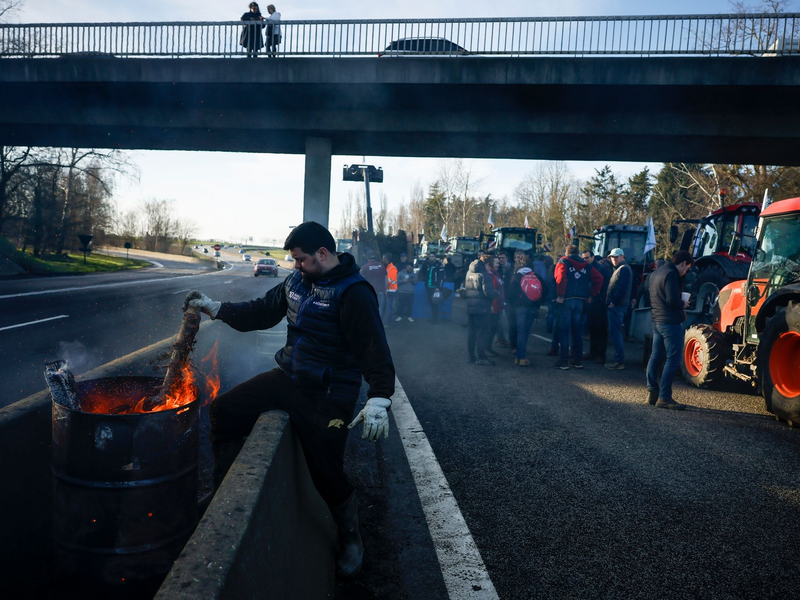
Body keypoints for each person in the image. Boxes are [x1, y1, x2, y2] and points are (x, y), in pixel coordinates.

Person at [184, 221, 395, 578]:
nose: (295, 265)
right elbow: (261, 312)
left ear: (323, 254)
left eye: (300, 259)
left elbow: (374, 349)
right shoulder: (296, 282)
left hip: (331, 394)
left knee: (326, 472)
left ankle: (350, 537)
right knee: (224, 412)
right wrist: (215, 307)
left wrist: (379, 399)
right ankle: (222, 493)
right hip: (288, 379)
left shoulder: (354, 292)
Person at [646, 250, 694, 410]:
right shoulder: (672, 274)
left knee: (655, 357)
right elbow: (672, 299)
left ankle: (653, 392)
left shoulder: (656, 272)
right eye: (686, 268)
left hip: (657, 320)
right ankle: (664, 397)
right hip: (670, 322)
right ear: (683, 263)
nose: (685, 272)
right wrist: (683, 304)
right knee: (672, 360)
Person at [553, 245, 603, 370]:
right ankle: (577, 360)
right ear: (578, 253)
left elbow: (561, 278)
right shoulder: (587, 265)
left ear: (567, 252)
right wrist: (592, 294)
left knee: (564, 330)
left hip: (566, 300)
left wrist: (560, 295)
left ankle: (564, 361)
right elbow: (599, 279)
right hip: (581, 300)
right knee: (577, 331)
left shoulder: (563, 262)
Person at [464, 254, 498, 365]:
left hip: (471, 307)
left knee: (471, 333)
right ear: (488, 264)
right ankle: (481, 357)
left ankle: (471, 357)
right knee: (482, 333)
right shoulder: (485, 275)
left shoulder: (469, 272)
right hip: (482, 308)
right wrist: (496, 294)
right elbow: (488, 292)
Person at [508, 251, 540, 366]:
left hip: (520, 307)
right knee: (525, 332)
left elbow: (511, 293)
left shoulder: (516, 276)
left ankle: (519, 357)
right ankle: (521, 357)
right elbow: (544, 289)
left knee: (520, 331)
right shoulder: (535, 275)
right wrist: (537, 303)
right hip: (532, 307)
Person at [605, 248, 633, 370]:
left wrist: (613, 302)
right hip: (617, 304)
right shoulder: (620, 269)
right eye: (612, 257)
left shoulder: (624, 269)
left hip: (617, 305)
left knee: (615, 333)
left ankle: (619, 361)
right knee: (615, 332)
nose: (613, 259)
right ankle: (618, 359)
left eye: (616, 257)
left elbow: (622, 289)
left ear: (622, 256)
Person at [581, 250, 610, 364]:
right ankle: (593, 352)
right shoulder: (587, 268)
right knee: (592, 328)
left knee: (601, 329)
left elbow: (605, 285)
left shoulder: (601, 269)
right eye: (583, 258)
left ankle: (601, 355)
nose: (585, 260)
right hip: (591, 302)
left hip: (600, 303)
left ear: (593, 257)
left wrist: (601, 300)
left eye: (587, 257)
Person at [484, 255, 505, 358]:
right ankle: (485, 349)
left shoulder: (495, 273)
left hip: (498, 306)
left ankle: (488, 347)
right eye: (496, 263)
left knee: (494, 328)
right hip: (493, 307)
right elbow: (490, 292)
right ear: (490, 264)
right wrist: (492, 305)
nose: (498, 264)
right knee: (490, 328)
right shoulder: (489, 275)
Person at [418, 251, 446, 323]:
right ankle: (432, 318)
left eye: (432, 256)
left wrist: (438, 287)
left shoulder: (439, 265)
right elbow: (424, 273)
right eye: (430, 256)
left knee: (435, 303)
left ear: (435, 257)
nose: (431, 257)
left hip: (435, 288)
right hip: (428, 287)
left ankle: (435, 319)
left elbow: (441, 277)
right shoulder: (428, 265)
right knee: (430, 302)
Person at [495, 252, 514, 347]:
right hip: (500, 296)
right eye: (499, 258)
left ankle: (512, 341)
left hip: (509, 297)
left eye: (502, 258)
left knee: (510, 319)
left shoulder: (511, 269)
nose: (501, 260)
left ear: (506, 258)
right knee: (498, 319)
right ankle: (501, 338)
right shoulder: (498, 268)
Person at [360, 252, 387, 318]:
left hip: (370, 292)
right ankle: (379, 323)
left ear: (368, 258)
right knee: (380, 308)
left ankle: (371, 323)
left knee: (370, 308)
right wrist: (385, 291)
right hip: (381, 291)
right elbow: (386, 279)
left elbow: (360, 280)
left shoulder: (364, 267)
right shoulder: (382, 266)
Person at [382, 253, 397, 326]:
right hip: (388, 290)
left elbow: (388, 281)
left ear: (386, 259)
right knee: (387, 307)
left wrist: (384, 290)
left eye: (383, 258)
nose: (382, 260)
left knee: (389, 308)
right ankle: (386, 322)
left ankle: (389, 323)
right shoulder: (388, 267)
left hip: (390, 291)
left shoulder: (392, 268)